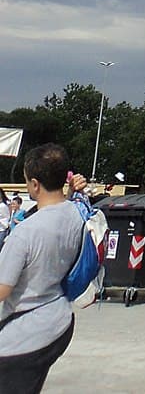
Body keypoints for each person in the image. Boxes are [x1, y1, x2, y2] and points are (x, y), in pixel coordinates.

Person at [0, 143, 88, 391]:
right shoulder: (76, 214)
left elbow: (2, 290)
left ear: (35, 184)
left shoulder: (25, 233)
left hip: (25, 334)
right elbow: (61, 211)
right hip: (59, 322)